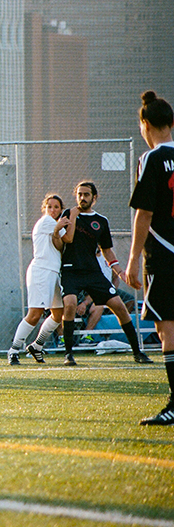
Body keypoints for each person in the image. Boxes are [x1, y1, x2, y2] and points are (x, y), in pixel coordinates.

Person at [58, 181, 153, 366]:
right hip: (71, 270)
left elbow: (107, 251)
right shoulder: (69, 214)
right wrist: (72, 218)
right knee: (69, 304)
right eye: (79, 194)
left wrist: (119, 272)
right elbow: (64, 240)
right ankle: (68, 354)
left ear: (94, 197)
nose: (82, 198)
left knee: (119, 306)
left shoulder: (101, 221)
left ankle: (137, 352)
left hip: (93, 272)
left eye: (86, 194)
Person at [125, 90, 174, 425]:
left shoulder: (151, 159)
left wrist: (132, 260)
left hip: (163, 253)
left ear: (145, 125)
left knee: (166, 327)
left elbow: (144, 214)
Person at [8, 194, 69, 365]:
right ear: (44, 208)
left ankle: (37, 345)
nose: (52, 210)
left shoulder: (55, 224)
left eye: (56, 207)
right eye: (49, 206)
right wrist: (71, 219)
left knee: (58, 314)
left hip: (54, 272)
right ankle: (14, 350)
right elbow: (68, 239)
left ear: (61, 209)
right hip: (41, 271)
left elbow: (60, 246)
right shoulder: (47, 221)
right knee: (35, 314)